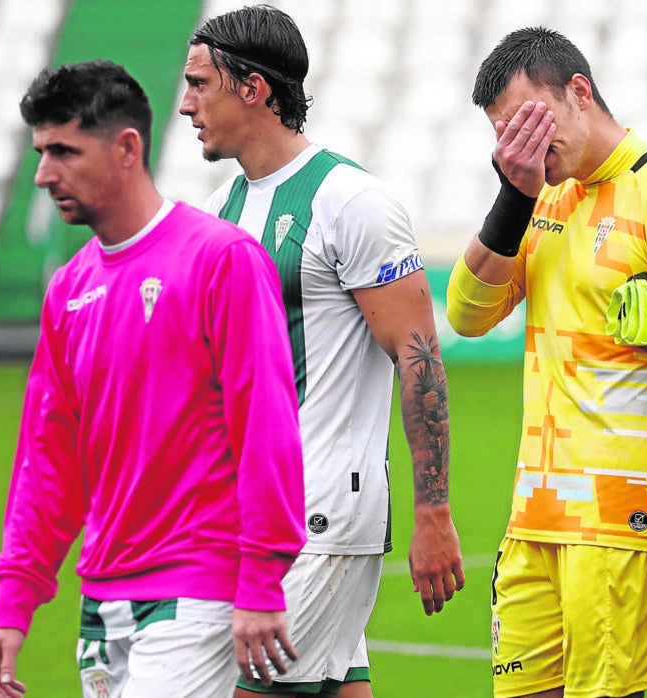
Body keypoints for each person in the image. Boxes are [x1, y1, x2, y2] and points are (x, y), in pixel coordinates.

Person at [0, 59, 307, 698]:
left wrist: (262, 579)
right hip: (101, 597)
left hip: (196, 592)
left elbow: (266, 425)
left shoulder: (221, 260)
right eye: (41, 152)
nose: (44, 174)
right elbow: (47, 461)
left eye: (64, 152)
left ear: (127, 147)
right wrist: (13, 604)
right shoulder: (68, 289)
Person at [447, 28, 647, 698]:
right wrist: (513, 194)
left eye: (531, 121)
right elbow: (467, 315)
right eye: (506, 133)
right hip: (534, 520)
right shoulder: (544, 196)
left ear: (579, 92)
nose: (522, 143)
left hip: (622, 528)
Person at [177, 6, 465, 698]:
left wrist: (433, 514)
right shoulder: (220, 213)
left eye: (200, 84)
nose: (186, 104)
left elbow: (417, 355)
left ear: (253, 89)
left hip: (322, 514)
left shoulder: (352, 202)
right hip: (258, 517)